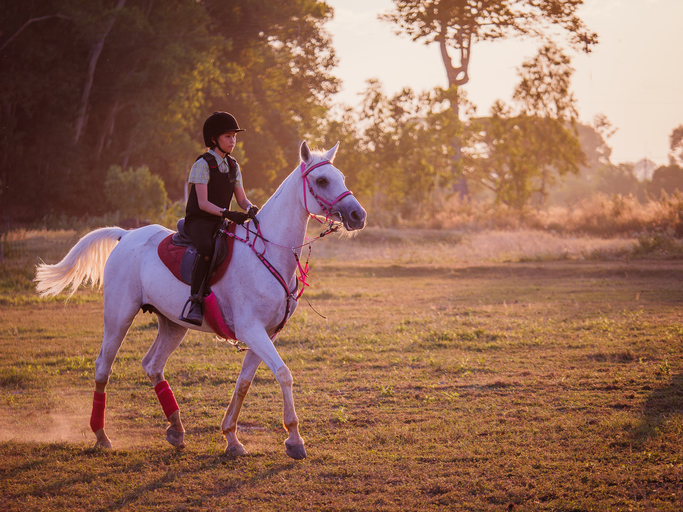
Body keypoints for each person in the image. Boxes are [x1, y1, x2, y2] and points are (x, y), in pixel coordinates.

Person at [179, 111, 259, 326]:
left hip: (220, 220)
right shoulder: (202, 164)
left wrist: (251, 208)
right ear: (214, 139)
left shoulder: (234, 166)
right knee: (206, 248)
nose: (233, 141)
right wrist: (227, 213)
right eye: (227, 136)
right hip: (199, 220)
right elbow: (203, 203)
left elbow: (241, 199)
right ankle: (195, 300)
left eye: (234, 136)